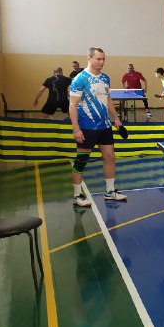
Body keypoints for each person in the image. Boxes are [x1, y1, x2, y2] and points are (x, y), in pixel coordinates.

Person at [69, 47, 127, 207]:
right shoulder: (80, 79)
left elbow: (108, 99)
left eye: (103, 59)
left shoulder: (105, 78)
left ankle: (110, 192)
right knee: (81, 161)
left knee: (110, 157)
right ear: (89, 58)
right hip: (86, 127)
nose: (102, 62)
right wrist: (76, 129)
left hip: (105, 126)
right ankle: (76, 196)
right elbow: (72, 105)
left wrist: (116, 119)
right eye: (98, 59)